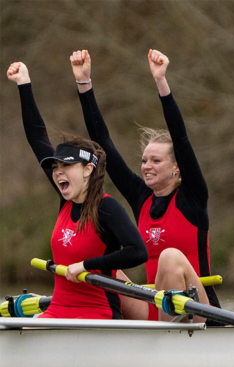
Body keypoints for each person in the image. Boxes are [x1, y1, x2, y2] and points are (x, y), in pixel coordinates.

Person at [69, 49, 221, 323]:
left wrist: (161, 82)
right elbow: (103, 143)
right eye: (144, 160)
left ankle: (164, 338)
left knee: (169, 257)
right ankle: (98, 329)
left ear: (177, 169)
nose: (146, 166)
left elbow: (181, 139)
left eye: (155, 160)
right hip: (155, 304)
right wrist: (84, 83)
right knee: (100, 267)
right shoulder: (142, 198)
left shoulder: (193, 197)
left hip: (202, 310)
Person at [7, 61, 148, 320]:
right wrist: (24, 84)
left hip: (98, 313)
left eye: (66, 166)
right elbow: (37, 138)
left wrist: (87, 265)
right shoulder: (67, 201)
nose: (58, 172)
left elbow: (138, 251)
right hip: (58, 310)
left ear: (87, 170)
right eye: (55, 167)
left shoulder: (107, 207)